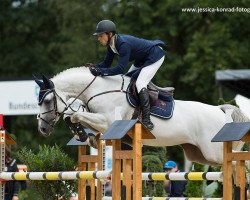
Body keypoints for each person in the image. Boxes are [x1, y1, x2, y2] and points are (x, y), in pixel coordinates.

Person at [89, 19, 166, 130]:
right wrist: (94, 67)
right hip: (142, 59)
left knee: (140, 83)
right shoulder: (111, 45)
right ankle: (134, 110)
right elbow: (106, 63)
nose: (98, 38)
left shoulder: (123, 44)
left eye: (100, 35)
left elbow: (120, 69)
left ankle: (147, 120)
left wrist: (101, 72)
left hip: (155, 55)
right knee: (126, 80)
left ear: (109, 34)